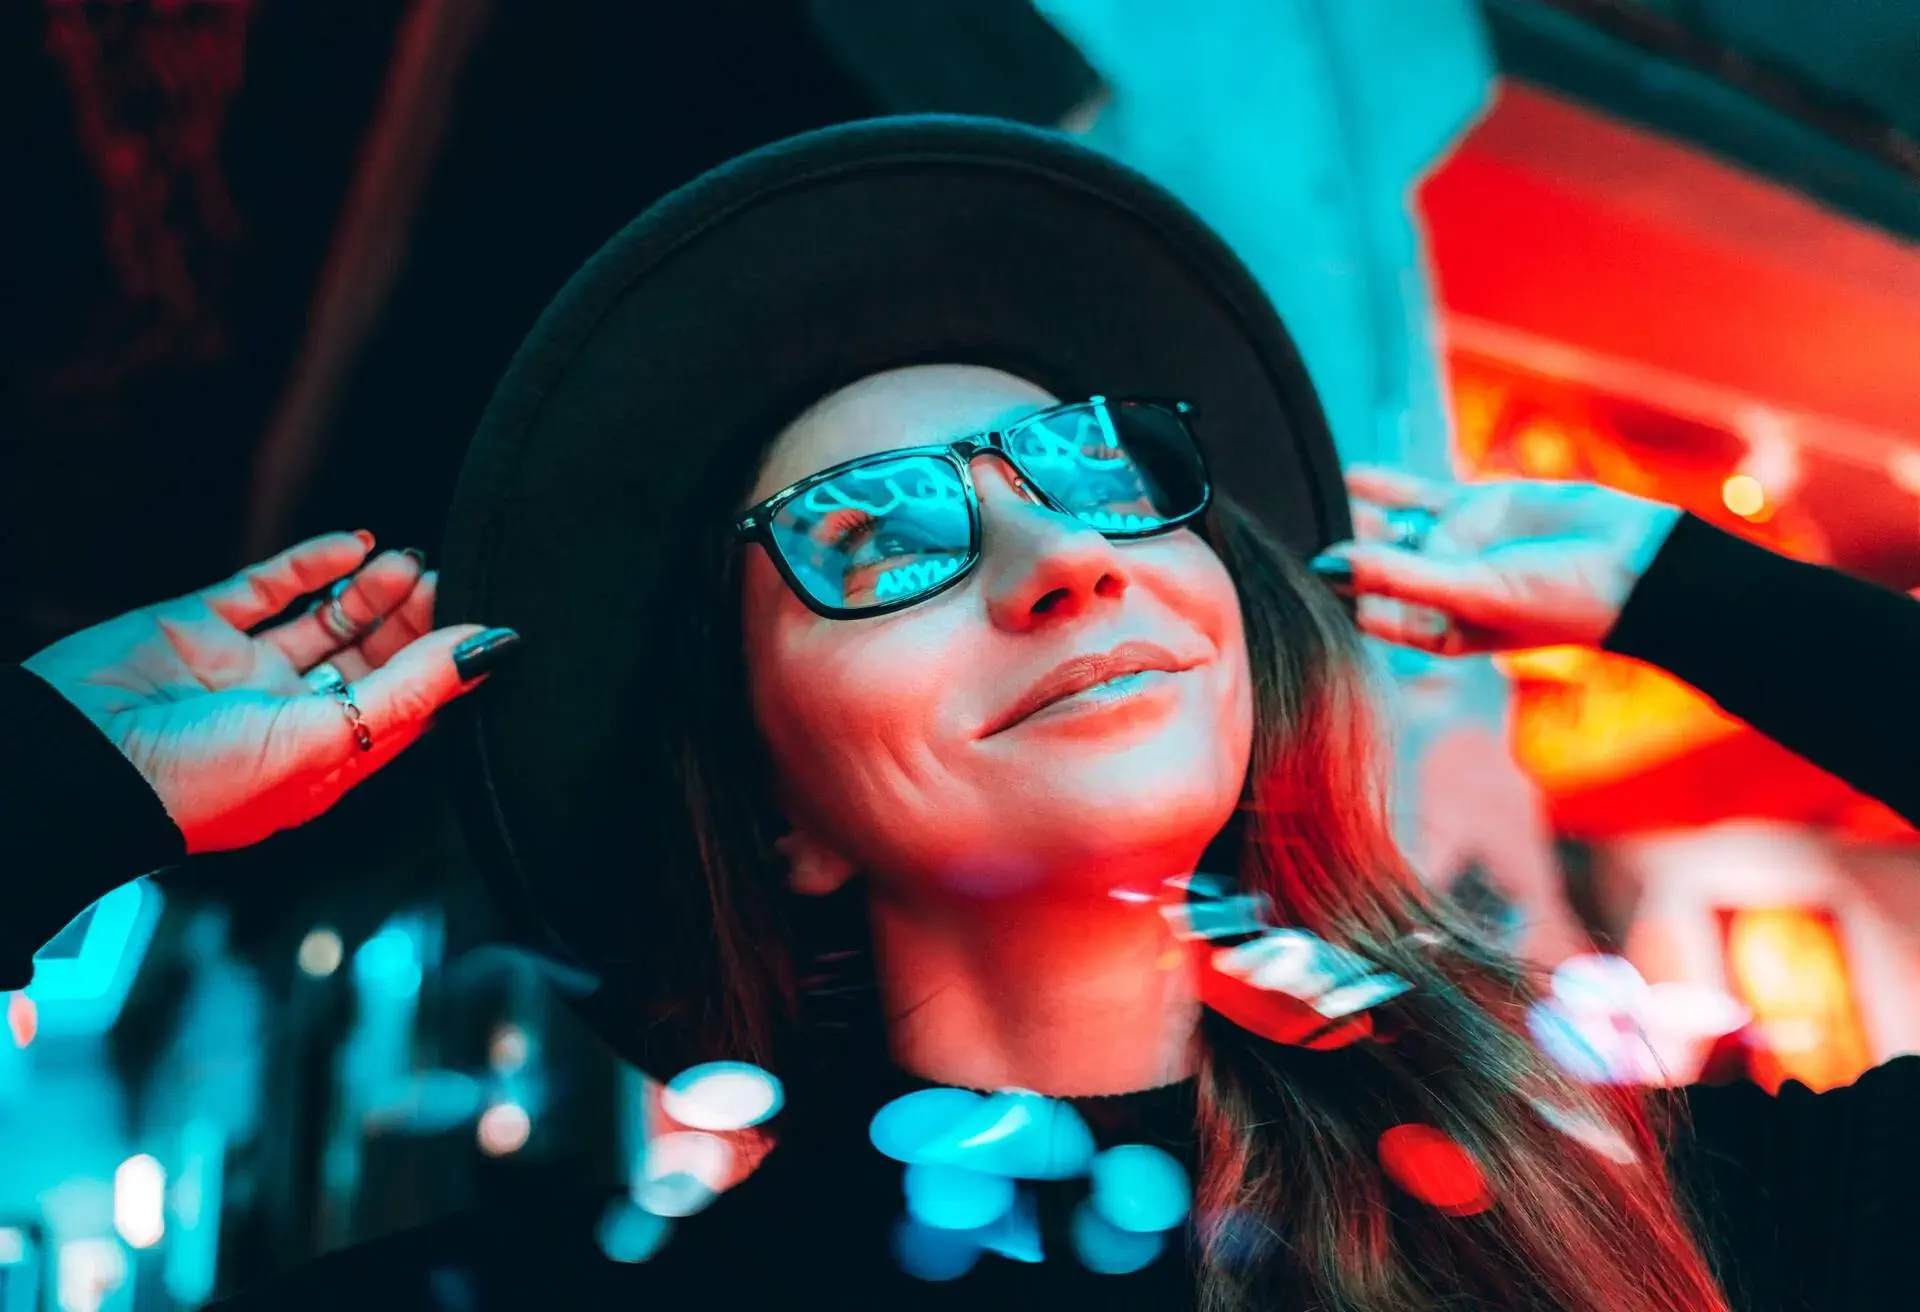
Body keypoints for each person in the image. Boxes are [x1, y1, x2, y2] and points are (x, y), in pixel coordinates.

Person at [1, 116, 1916, 1310]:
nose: (1059, 563)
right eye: (869, 536)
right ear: (779, 810)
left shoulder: (1662, 1228)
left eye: (1086, 471)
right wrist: (55, 785)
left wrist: (1690, 588)